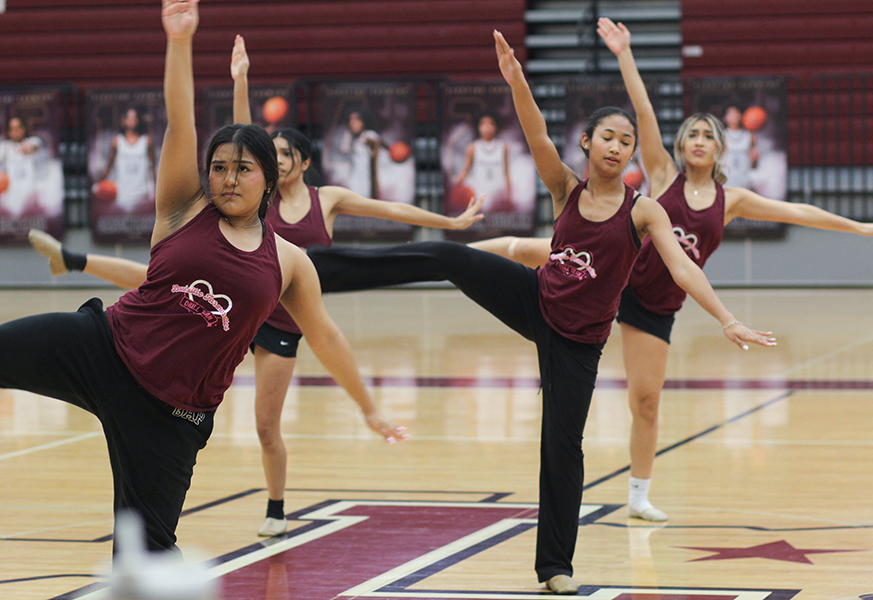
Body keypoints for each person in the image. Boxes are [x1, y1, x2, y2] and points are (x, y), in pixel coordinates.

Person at [251, 31, 775, 593]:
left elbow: (683, 268)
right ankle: (317, 273)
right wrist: (516, 81)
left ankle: (555, 568)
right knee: (448, 256)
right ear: (588, 143)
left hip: (578, 343)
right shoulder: (564, 187)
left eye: (627, 140)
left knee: (562, 448)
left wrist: (724, 317)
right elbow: (534, 133)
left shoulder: (643, 210)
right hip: (535, 300)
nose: (619, 147)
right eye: (608, 137)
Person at [0, 0, 406, 555]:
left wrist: (369, 406)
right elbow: (181, 120)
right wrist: (179, 41)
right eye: (219, 167)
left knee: (147, 554)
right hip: (103, 348)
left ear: (268, 179)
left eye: (243, 169)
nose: (228, 178)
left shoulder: (290, 261)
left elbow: (324, 335)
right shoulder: (183, 208)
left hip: (172, 415)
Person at [28, 34, 483, 540]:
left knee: (264, 423)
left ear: (289, 166)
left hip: (288, 297)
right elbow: (227, 134)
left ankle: (274, 504)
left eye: (278, 157)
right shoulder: (213, 199)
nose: (264, 165)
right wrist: (230, 74)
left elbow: (388, 217)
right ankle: (72, 259)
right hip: (218, 310)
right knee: (156, 278)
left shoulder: (321, 201)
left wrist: (448, 221)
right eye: (225, 166)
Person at [469, 18, 873, 525]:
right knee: (524, 247)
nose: (699, 141)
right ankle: (449, 254)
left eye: (708, 135)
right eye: (692, 135)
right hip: (613, 271)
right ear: (680, 147)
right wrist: (624, 53)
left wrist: (858, 227)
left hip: (654, 305)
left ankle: (638, 495)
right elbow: (639, 108)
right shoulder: (662, 173)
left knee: (647, 401)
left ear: (721, 148)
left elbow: (800, 213)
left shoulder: (733, 200)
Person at [95, 107, 156, 211]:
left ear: (138, 120)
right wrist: (99, 182)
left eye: (134, 118)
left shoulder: (146, 141)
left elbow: (153, 167)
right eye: (129, 118)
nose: (131, 121)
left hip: (142, 194)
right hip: (122, 194)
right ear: (124, 121)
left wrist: (156, 189)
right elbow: (109, 166)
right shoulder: (117, 142)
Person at [454, 111, 512, 211]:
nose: (487, 128)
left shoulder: (503, 147)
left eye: (490, 124)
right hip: (480, 190)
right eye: (483, 124)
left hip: (497, 191)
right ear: (478, 127)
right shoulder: (473, 147)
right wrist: (456, 185)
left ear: (495, 126)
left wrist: (509, 192)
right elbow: (466, 170)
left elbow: (506, 172)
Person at [0, 116, 42, 215]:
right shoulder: (5, 146)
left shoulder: (31, 142)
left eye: (18, 128)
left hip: (29, 195)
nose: (15, 132)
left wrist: (29, 148)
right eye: (12, 129)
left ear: (23, 129)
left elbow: (36, 145)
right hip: (12, 195)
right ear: (9, 132)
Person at [338, 107, 381, 198]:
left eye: (357, 119)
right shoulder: (352, 138)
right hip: (354, 184)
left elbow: (372, 143)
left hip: (367, 185)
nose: (353, 123)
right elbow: (343, 149)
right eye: (351, 120)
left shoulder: (369, 135)